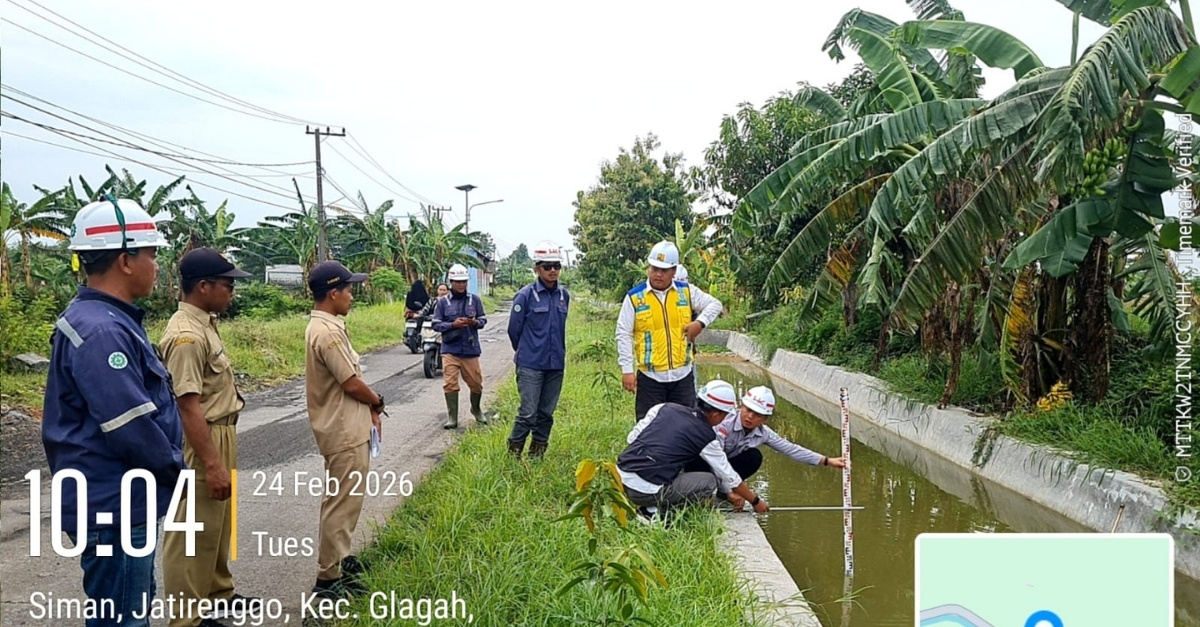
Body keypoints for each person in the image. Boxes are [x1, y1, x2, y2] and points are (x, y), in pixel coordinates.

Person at [42, 197, 186, 627]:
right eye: (152, 253)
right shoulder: (102, 329)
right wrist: (176, 471)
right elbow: (131, 426)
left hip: (118, 502)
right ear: (126, 260)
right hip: (113, 507)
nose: (157, 265)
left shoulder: (107, 319)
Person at [158, 248, 258, 627]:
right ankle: (186, 618)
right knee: (192, 529)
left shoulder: (204, 323)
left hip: (221, 431)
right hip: (203, 438)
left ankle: (218, 593)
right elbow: (188, 406)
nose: (232, 292)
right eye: (227, 285)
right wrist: (212, 463)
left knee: (218, 520)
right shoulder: (186, 335)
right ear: (203, 287)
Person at [304, 260, 385, 599]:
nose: (353, 296)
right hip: (344, 430)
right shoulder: (328, 332)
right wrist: (377, 401)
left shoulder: (325, 326)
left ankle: (340, 559)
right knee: (342, 502)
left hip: (346, 427)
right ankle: (328, 579)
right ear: (333, 293)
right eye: (349, 290)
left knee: (345, 501)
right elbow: (351, 383)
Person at [616, 380, 769, 519]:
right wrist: (755, 501)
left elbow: (632, 438)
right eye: (726, 415)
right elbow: (730, 478)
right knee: (709, 481)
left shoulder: (664, 407)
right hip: (645, 491)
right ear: (716, 415)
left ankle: (649, 506)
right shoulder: (705, 436)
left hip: (621, 478)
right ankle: (656, 513)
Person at [685, 386, 846, 509]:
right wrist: (746, 496)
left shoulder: (763, 433)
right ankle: (703, 492)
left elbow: (791, 449)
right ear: (741, 406)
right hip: (706, 460)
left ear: (766, 419)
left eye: (757, 414)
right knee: (700, 457)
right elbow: (716, 461)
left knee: (754, 457)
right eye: (748, 410)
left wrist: (826, 461)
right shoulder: (724, 422)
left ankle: (725, 493)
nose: (750, 417)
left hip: (724, 465)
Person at [616, 241, 723, 421]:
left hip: (682, 376)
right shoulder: (635, 297)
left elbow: (715, 305)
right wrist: (627, 370)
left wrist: (700, 323)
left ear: (674, 271)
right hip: (650, 378)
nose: (658, 274)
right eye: (654, 268)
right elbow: (623, 333)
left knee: (685, 428)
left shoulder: (686, 292)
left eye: (664, 270)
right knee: (649, 429)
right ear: (648, 268)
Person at [506, 241, 570, 459]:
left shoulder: (564, 296)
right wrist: (526, 350)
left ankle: (537, 456)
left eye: (556, 266)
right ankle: (513, 455)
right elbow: (514, 330)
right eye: (547, 266)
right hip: (530, 365)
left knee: (546, 414)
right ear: (537, 268)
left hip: (555, 364)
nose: (553, 271)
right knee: (528, 413)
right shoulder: (525, 295)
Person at [431, 263, 488, 429]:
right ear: (451, 282)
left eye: (463, 281)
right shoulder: (443, 303)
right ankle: (452, 417)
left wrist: (474, 322)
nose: (461, 284)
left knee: (476, 383)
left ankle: (476, 409)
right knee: (450, 383)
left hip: (470, 350)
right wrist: (452, 325)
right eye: (457, 281)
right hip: (450, 349)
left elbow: (483, 320)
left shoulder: (474, 300)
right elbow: (436, 324)